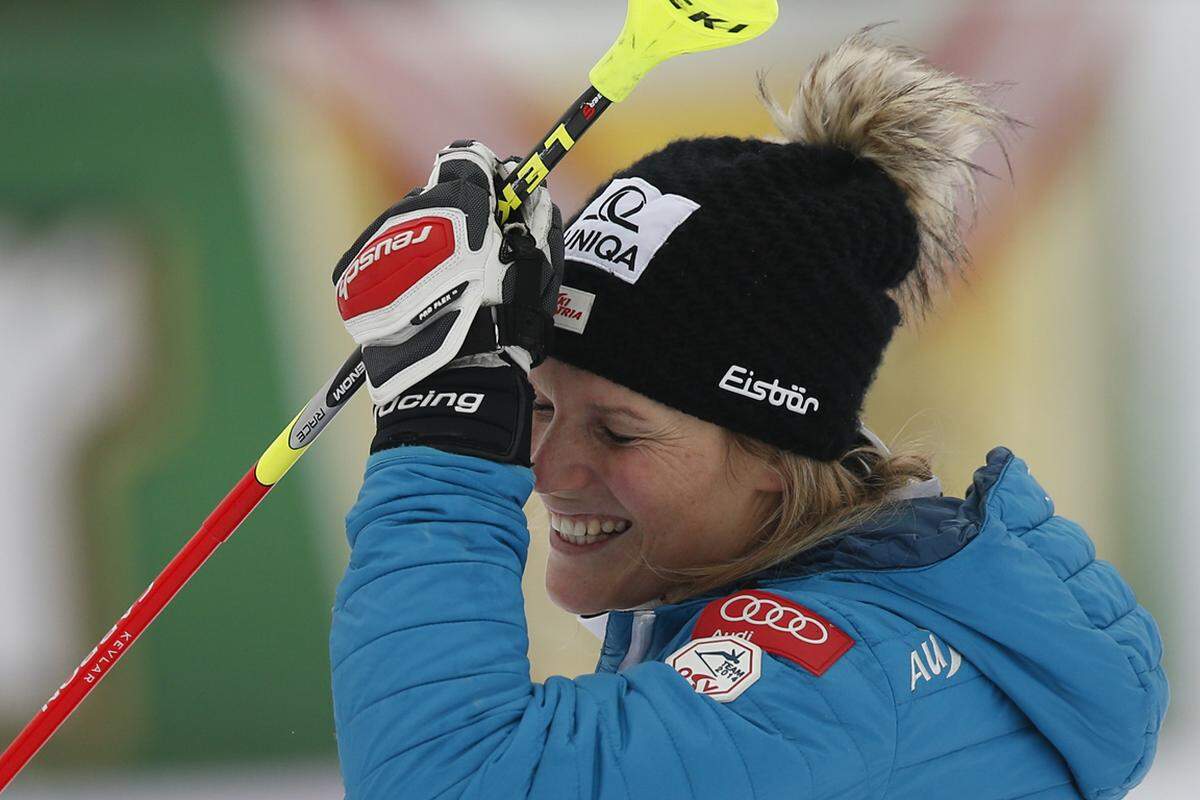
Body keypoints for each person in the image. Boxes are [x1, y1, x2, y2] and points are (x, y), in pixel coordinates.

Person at [327, 30, 1167, 800]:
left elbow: (448, 784)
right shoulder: (848, 620)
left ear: (775, 453)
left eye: (617, 430)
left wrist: (440, 441)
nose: (545, 467)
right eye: (539, 404)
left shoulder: (830, 678)